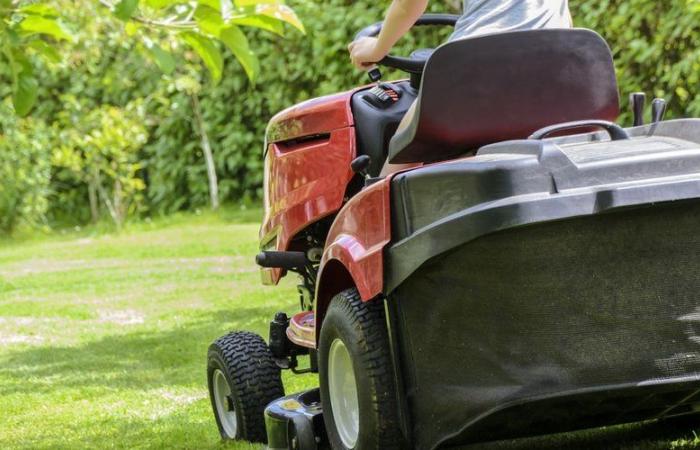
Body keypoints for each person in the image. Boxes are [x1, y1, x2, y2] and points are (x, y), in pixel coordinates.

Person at [348, 0, 573, 175]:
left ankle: (376, 227)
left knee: (401, 157)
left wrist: (376, 49)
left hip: (478, 69)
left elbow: (408, 5)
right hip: (561, 70)